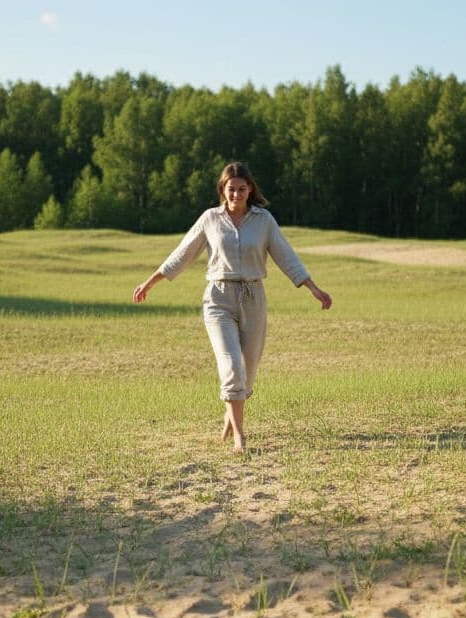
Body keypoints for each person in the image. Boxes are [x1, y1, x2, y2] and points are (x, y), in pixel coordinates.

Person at [133, 161, 332, 453]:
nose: (236, 194)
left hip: (254, 299)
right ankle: (240, 437)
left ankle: (231, 414)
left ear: (250, 190)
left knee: (247, 369)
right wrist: (150, 282)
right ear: (222, 190)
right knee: (231, 363)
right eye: (231, 189)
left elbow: (286, 256)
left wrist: (313, 288)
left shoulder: (263, 221)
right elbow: (183, 253)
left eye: (242, 189)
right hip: (218, 297)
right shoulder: (210, 219)